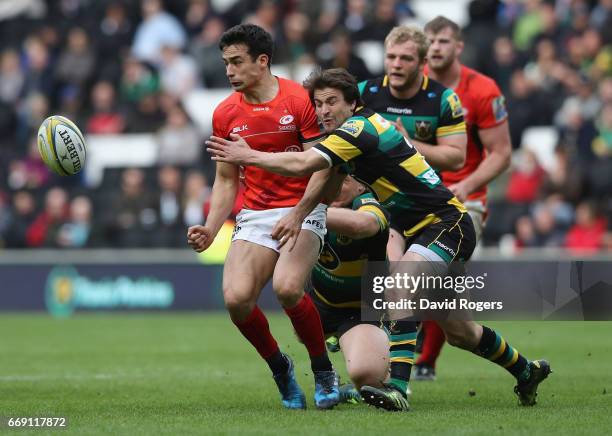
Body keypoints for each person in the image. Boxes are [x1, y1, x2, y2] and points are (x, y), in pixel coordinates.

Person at [206, 68, 551, 409]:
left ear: (353, 103)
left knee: (402, 284)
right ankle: (526, 370)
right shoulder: (345, 140)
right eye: (318, 104)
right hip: (417, 230)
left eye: (332, 102)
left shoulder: (357, 129)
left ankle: (398, 390)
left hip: (445, 223)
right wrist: (297, 215)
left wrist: (246, 156)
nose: (324, 111)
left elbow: (303, 165)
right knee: (461, 332)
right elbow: (323, 181)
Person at [187, 24, 340, 410]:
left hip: (304, 206)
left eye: (237, 61)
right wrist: (210, 224)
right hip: (255, 213)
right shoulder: (224, 113)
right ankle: (280, 368)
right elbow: (226, 180)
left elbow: (321, 166)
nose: (229, 70)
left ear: (262, 60)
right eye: (225, 63)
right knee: (237, 299)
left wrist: (301, 212)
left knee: (288, 288)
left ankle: (323, 370)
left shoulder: (299, 100)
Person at [412, 16, 513, 381]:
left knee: (437, 274)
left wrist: (468, 185)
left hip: (461, 200)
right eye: (430, 41)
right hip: (409, 198)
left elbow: (501, 154)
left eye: (442, 41)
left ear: (458, 47)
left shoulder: (482, 89)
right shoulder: (406, 83)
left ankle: (424, 359)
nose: (435, 47)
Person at [357, 25, 468, 261]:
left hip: (424, 205)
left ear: (422, 62)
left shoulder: (443, 99)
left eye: (406, 58)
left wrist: (406, 142)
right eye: (391, 57)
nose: (396, 64)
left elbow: (457, 158)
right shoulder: (364, 93)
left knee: (435, 291)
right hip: (375, 201)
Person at [310, 175, 415, 412]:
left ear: (361, 186)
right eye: (330, 178)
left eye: (343, 180)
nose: (334, 185)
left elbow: (363, 223)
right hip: (319, 300)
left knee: (365, 373)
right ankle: (333, 347)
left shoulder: (368, 206)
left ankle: (385, 370)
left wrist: (301, 211)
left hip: (359, 310)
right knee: (286, 289)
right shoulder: (311, 194)